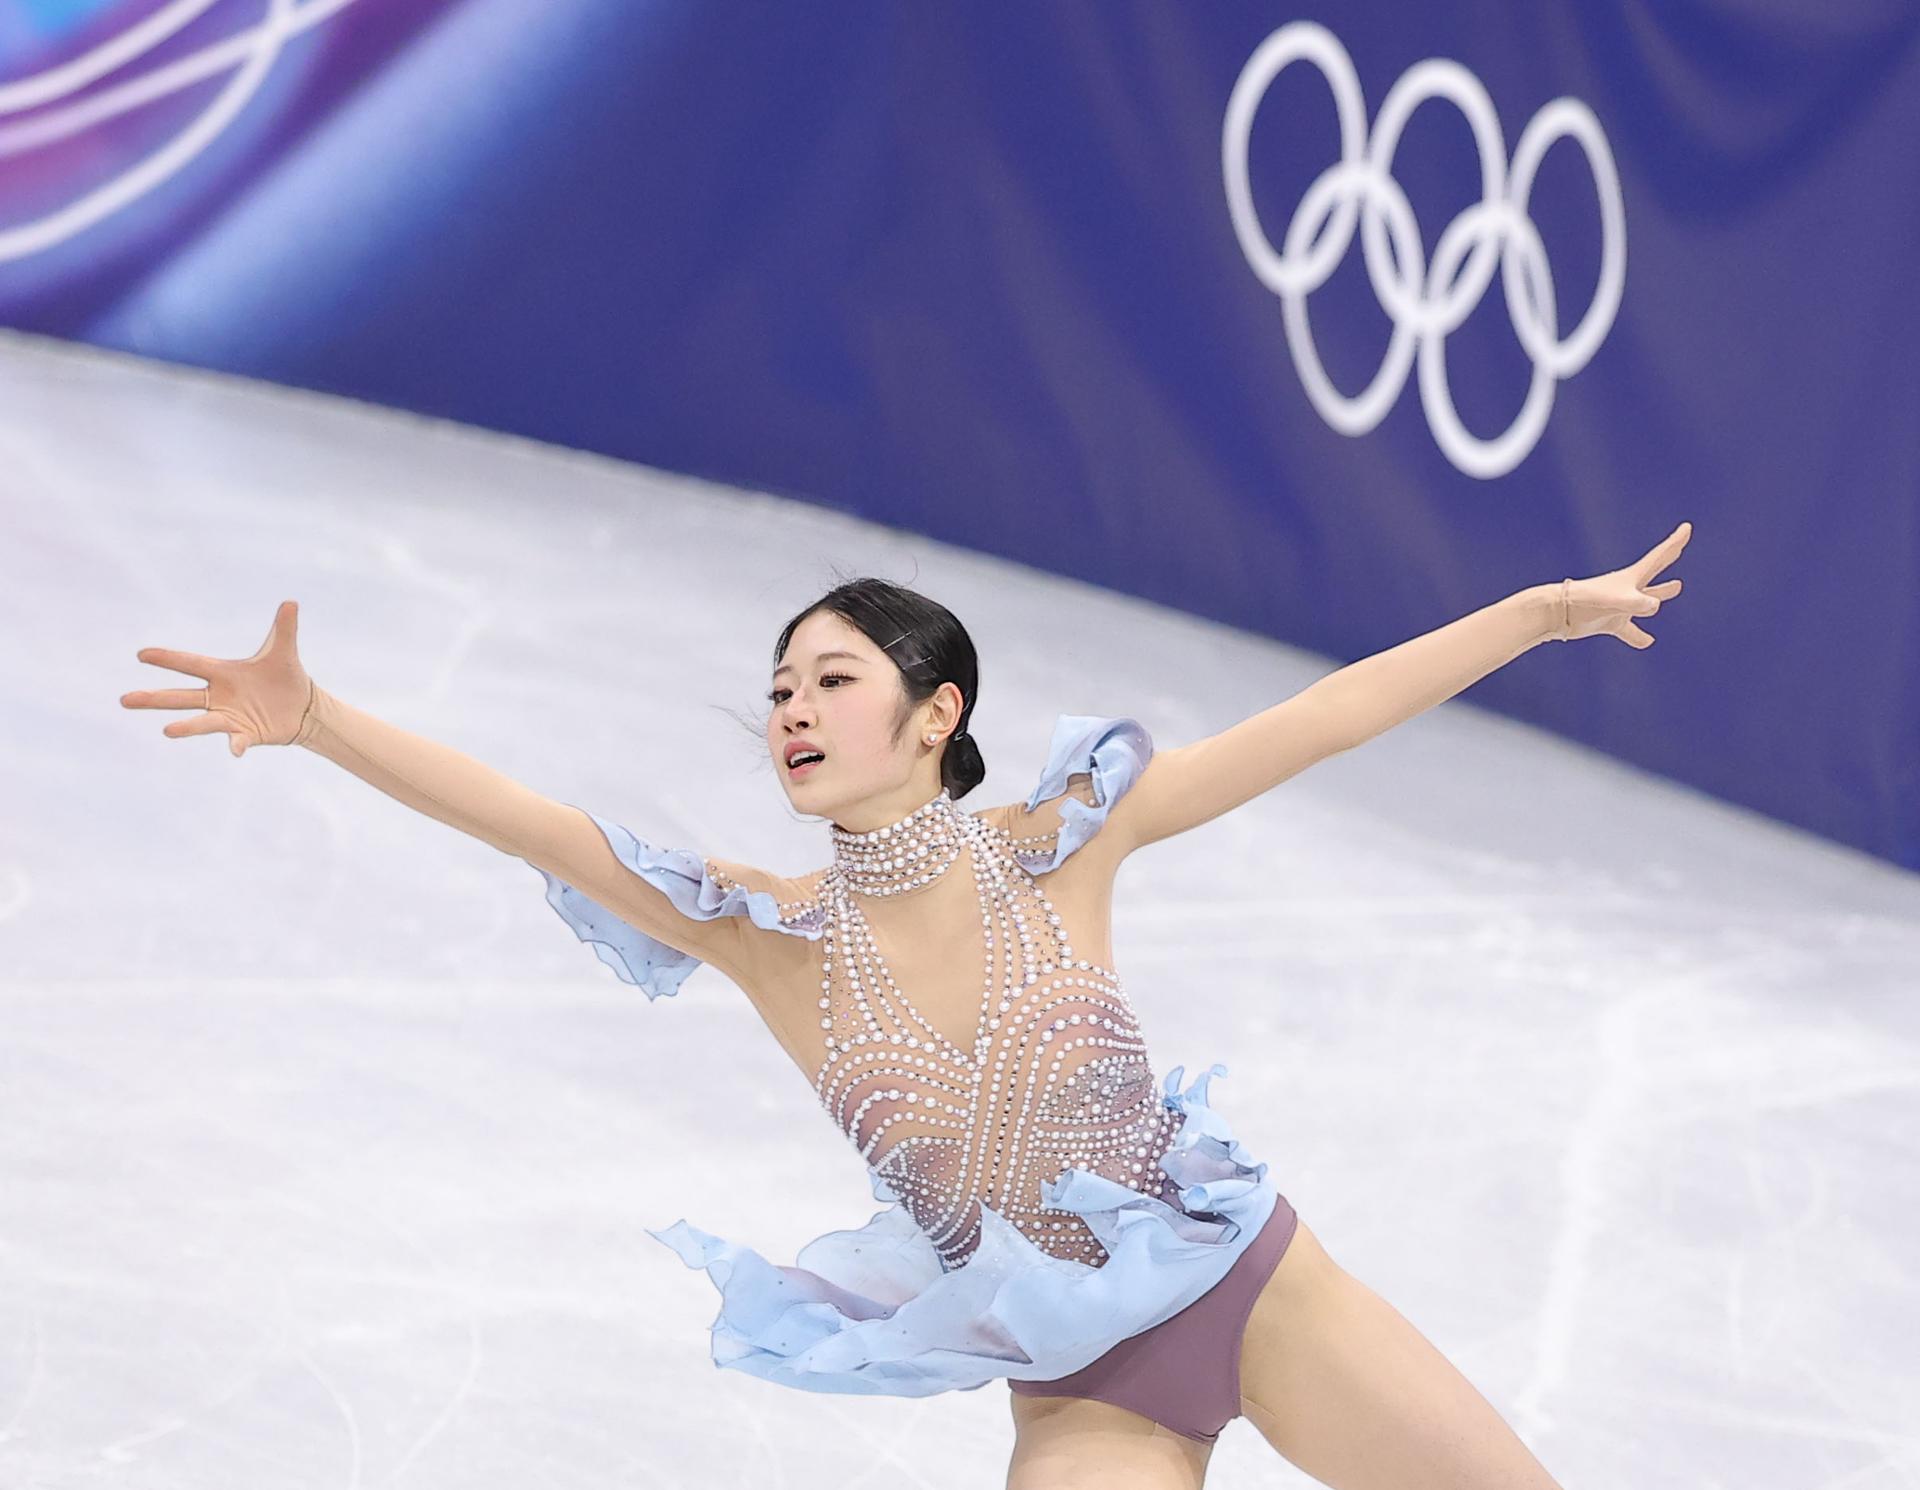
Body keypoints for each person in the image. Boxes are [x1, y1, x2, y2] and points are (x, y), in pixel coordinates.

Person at [119, 523, 1688, 1490]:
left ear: (937, 714)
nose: (794, 704)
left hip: (1260, 1292)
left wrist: (1537, 615)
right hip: (1086, 1388)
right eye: (783, 685)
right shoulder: (771, 936)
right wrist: (317, 717)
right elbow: (535, 823)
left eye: (834, 675)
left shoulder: (1063, 845)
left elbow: (1319, 720)